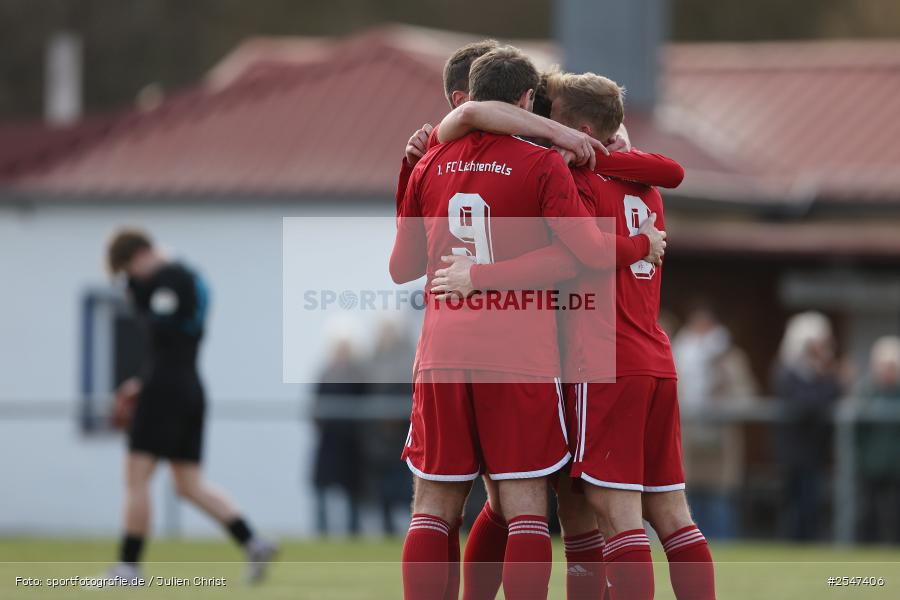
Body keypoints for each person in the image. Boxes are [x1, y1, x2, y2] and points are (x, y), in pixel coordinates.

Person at [391, 45, 671, 600]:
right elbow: (581, 255)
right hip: (520, 356)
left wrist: (411, 174)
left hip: (442, 352)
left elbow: (402, 268)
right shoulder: (542, 162)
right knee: (523, 511)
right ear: (526, 100)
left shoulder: (428, 160)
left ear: (466, 95)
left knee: (433, 508)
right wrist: (642, 244)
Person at [104, 228, 276, 583]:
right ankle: (252, 541)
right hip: (187, 386)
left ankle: (128, 567)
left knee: (136, 476)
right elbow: (173, 342)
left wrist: (136, 293)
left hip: (165, 390)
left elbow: (164, 331)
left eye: (128, 270)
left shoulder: (169, 279)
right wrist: (143, 380)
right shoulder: (189, 277)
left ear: (140, 255)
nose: (131, 279)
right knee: (188, 484)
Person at [673, 307, 756, 539]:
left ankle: (724, 549)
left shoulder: (730, 357)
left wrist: (725, 398)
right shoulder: (677, 353)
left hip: (721, 441)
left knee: (719, 501)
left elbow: (746, 394)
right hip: (687, 439)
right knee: (687, 500)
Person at [772, 311, 843, 541]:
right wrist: (824, 380)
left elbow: (834, 395)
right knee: (793, 504)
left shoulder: (825, 373)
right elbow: (805, 405)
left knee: (812, 502)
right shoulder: (787, 371)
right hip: (792, 450)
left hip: (815, 449)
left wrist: (827, 376)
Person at [311, 326, 368, 536]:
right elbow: (317, 404)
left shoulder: (359, 374)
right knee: (322, 488)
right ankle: (322, 531)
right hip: (328, 440)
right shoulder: (326, 373)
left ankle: (353, 531)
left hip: (350, 442)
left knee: (352, 490)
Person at [855, 336, 900, 543]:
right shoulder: (866, 392)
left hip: (895, 466)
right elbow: (858, 433)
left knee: (894, 512)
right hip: (870, 465)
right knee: (867, 511)